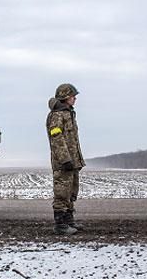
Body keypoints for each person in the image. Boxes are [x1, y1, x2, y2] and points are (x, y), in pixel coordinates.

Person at [46, 83, 86, 235]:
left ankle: (69, 221)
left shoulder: (68, 113)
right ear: (65, 97)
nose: (75, 98)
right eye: (72, 96)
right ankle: (60, 225)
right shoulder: (57, 115)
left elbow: (72, 140)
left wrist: (76, 161)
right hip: (63, 163)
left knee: (71, 192)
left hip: (72, 162)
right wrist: (65, 159)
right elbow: (57, 137)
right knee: (62, 192)